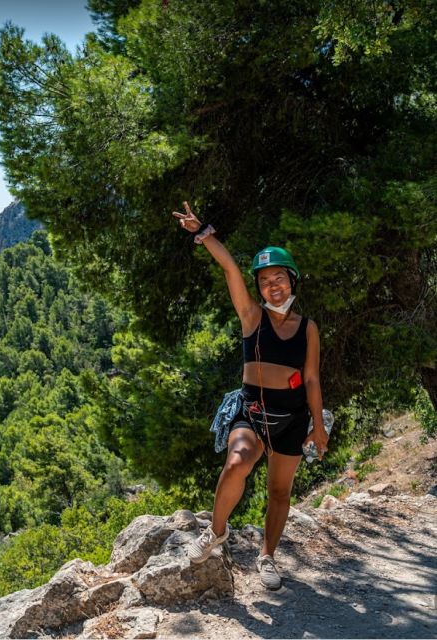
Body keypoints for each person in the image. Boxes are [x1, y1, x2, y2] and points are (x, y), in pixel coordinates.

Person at [171, 201, 329, 590]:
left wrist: (318, 426)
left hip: (291, 417)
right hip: (252, 410)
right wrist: (202, 232)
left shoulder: (308, 328)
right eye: (264, 281)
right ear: (258, 288)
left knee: (279, 491)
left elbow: (311, 379)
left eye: (279, 279)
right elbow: (229, 268)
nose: (272, 286)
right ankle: (217, 532)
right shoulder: (251, 317)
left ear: (292, 281)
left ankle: (267, 557)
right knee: (236, 463)